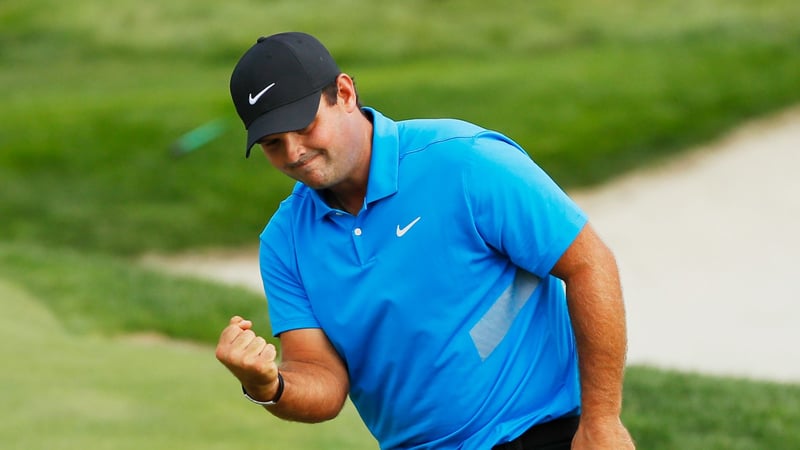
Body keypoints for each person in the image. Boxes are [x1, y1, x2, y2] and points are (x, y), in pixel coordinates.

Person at [216, 31, 635, 450]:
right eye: (273, 144)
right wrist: (269, 385)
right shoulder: (284, 240)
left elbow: (587, 263)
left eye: (303, 127)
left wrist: (602, 420)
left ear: (344, 93)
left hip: (536, 434)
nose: (293, 154)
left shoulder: (464, 161)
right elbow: (321, 378)